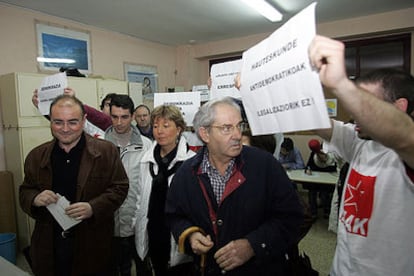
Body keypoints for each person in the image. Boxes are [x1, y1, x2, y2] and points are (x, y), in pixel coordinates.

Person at [309, 35, 414, 275]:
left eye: (363, 103)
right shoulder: (359, 141)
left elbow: (405, 136)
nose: (355, 113)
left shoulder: (406, 151)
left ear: (399, 107)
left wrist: (342, 84)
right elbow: (308, 116)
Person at [165, 97, 304, 275]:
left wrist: (253, 245)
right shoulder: (186, 173)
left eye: (239, 125)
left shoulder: (266, 165)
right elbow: (175, 216)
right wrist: (190, 234)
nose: (238, 135)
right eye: (226, 128)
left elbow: (292, 217)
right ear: (205, 134)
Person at [19, 94, 129, 276]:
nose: (65, 129)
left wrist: (93, 207)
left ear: (84, 120)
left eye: (72, 122)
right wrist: (35, 198)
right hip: (50, 243)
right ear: (50, 121)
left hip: (92, 243)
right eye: (58, 122)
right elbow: (25, 190)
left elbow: (120, 187)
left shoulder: (106, 151)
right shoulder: (36, 156)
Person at [134, 104, 195, 275]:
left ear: (179, 129)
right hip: (152, 230)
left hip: (177, 233)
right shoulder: (146, 160)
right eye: (155, 126)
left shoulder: (191, 163)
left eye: (166, 126)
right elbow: (140, 198)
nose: (159, 131)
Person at [105, 94, 152, 276]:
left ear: (132, 116)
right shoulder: (100, 144)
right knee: (117, 269)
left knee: (142, 267)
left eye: (124, 117)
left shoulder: (146, 145)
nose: (119, 122)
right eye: (114, 116)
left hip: (137, 221)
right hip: (110, 223)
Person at [305, 139, 337, 219]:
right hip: (316, 180)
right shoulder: (314, 154)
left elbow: (336, 169)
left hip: (327, 181)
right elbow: (308, 165)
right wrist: (308, 169)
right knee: (312, 192)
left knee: (325, 193)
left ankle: (326, 211)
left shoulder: (333, 155)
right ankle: (313, 212)